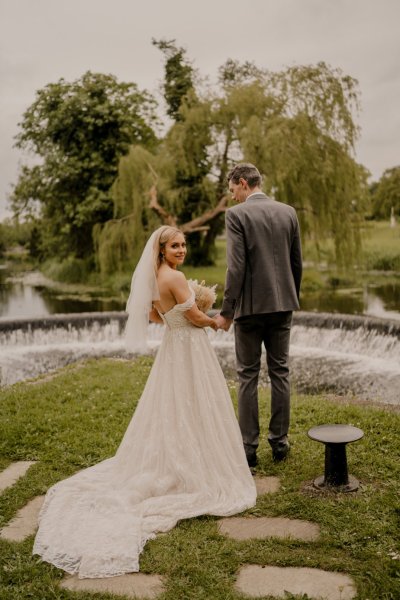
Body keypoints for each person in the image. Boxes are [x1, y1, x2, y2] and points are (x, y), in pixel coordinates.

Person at [33, 225, 256, 579]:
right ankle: (195, 462)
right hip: (190, 348)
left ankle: (179, 453)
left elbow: (154, 316)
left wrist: (177, 315)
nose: (181, 250)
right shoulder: (176, 277)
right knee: (195, 402)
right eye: (175, 246)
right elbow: (195, 318)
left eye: (183, 245)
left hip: (172, 346)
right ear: (162, 249)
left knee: (173, 404)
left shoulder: (153, 277)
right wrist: (213, 322)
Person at [215, 163, 302, 466]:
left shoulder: (237, 215)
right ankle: (280, 443)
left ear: (242, 183)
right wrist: (291, 297)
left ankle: (248, 450)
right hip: (283, 306)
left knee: (247, 376)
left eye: (233, 190)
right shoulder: (288, 212)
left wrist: (227, 311)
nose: (233, 197)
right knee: (280, 372)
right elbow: (296, 263)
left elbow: (236, 268)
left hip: (250, 310)